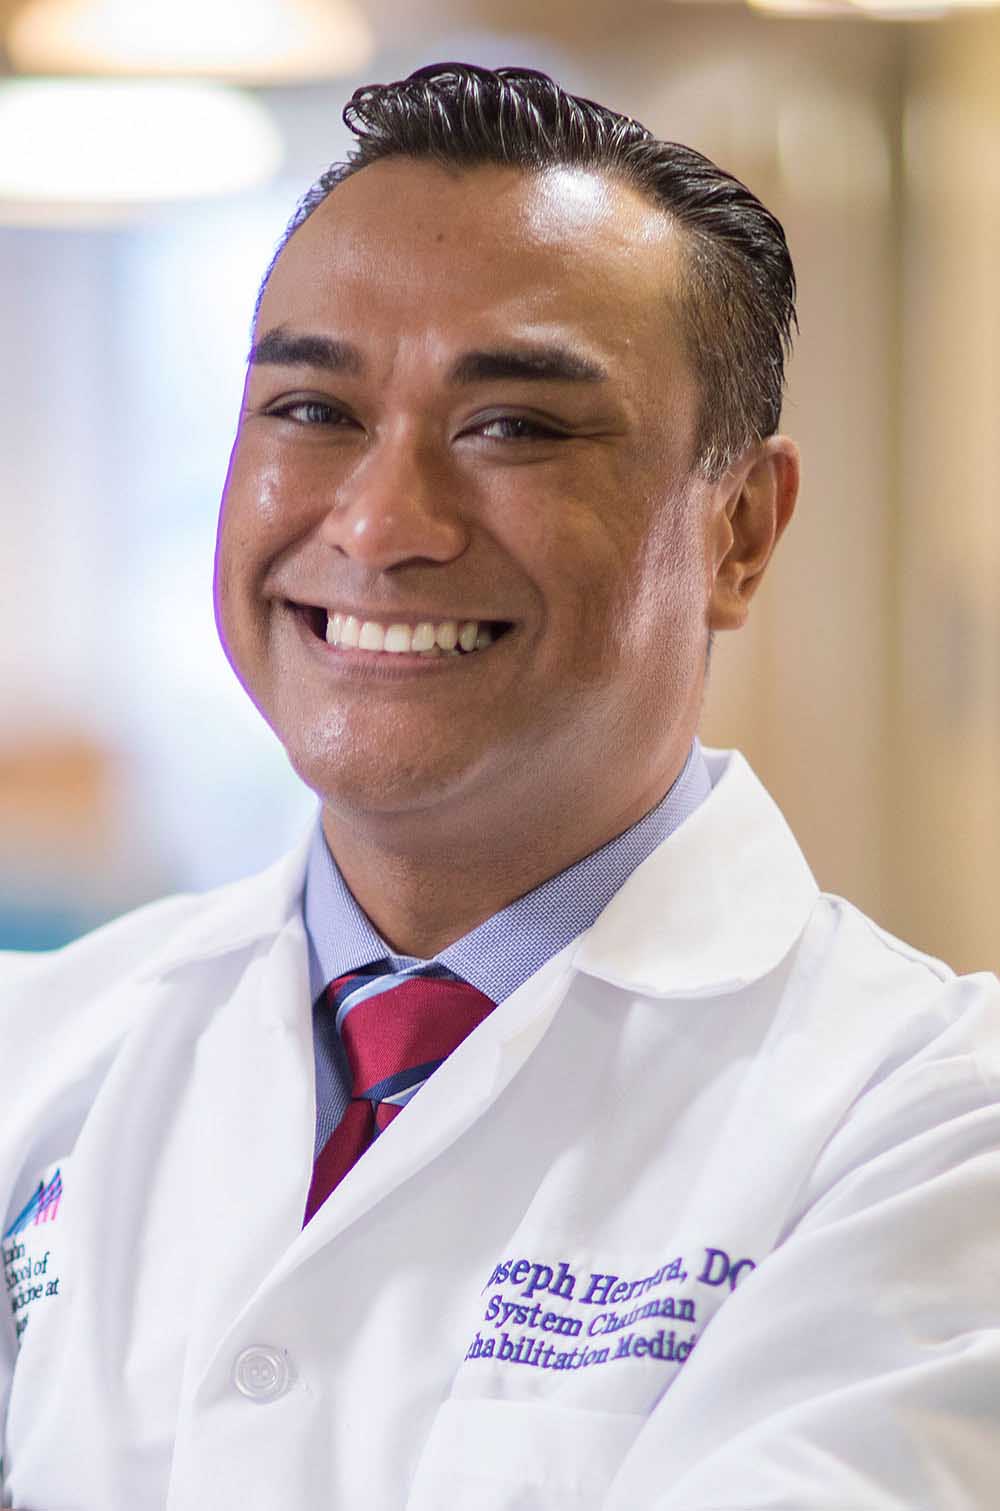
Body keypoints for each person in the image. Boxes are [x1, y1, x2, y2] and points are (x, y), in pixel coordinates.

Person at [2, 60, 998, 1511]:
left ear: (739, 531)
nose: (380, 523)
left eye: (515, 427)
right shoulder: (40, 1053)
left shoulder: (933, 1124)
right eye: (312, 409)